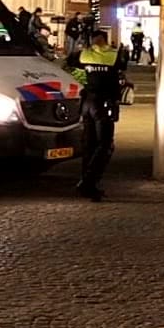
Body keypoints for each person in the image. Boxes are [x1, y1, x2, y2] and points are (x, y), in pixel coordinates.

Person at [67, 31, 128, 201]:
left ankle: (87, 185)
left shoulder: (85, 54)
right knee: (105, 145)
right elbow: (122, 68)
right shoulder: (114, 55)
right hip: (103, 103)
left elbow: (69, 62)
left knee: (89, 144)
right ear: (105, 40)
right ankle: (88, 182)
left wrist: (82, 47)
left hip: (87, 103)